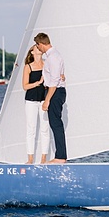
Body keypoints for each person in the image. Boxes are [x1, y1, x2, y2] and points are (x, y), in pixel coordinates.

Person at [34, 32, 66, 162]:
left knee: (56, 124)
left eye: (38, 45)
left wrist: (47, 100)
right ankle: (60, 155)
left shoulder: (53, 57)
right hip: (56, 91)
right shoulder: (53, 56)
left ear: (41, 44)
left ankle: (60, 156)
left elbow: (54, 81)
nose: (38, 48)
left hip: (55, 92)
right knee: (55, 123)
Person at [22, 44, 50, 165]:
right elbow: (25, 86)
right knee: (31, 129)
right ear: (32, 52)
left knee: (45, 129)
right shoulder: (28, 67)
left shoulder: (46, 64)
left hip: (44, 100)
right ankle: (30, 159)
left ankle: (43, 159)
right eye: (36, 47)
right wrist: (38, 83)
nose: (39, 48)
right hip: (31, 100)